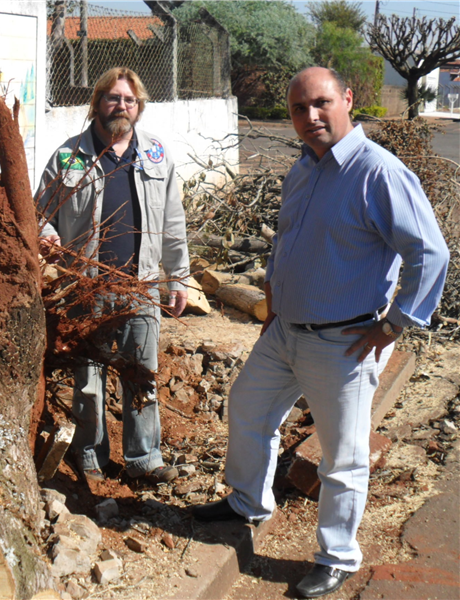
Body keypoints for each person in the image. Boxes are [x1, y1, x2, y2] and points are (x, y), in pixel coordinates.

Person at [190, 66, 449, 598]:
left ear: (347, 99)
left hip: (344, 342)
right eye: (298, 109)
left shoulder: (379, 173)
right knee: (248, 408)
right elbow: (290, 244)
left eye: (321, 103)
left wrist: (395, 323)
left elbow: (430, 252)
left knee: (343, 456)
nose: (310, 117)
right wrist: (275, 307)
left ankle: (337, 556)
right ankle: (246, 503)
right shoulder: (305, 168)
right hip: (284, 331)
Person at [35, 67, 189, 485]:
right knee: (88, 381)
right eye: (113, 98)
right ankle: (90, 456)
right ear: (97, 103)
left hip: (140, 285)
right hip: (84, 287)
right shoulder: (67, 158)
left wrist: (178, 277)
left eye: (129, 100)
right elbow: (38, 214)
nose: (121, 106)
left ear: (138, 108)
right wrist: (47, 236)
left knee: (141, 376)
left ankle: (144, 459)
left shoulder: (156, 155)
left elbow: (173, 222)